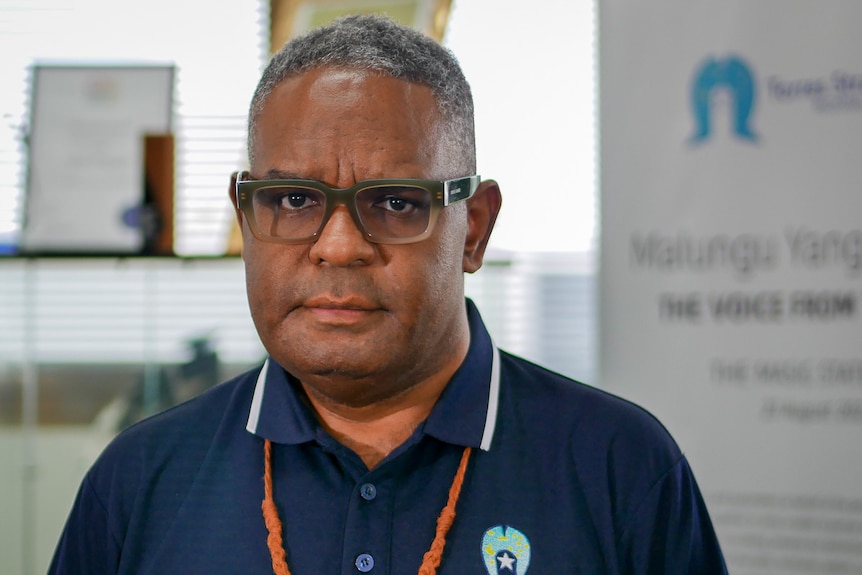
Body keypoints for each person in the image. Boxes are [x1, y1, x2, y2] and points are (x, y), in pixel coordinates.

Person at [49, 14, 727, 575]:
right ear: (244, 214)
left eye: (397, 203)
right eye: (291, 198)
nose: (339, 245)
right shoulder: (138, 482)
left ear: (474, 229)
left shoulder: (621, 466)